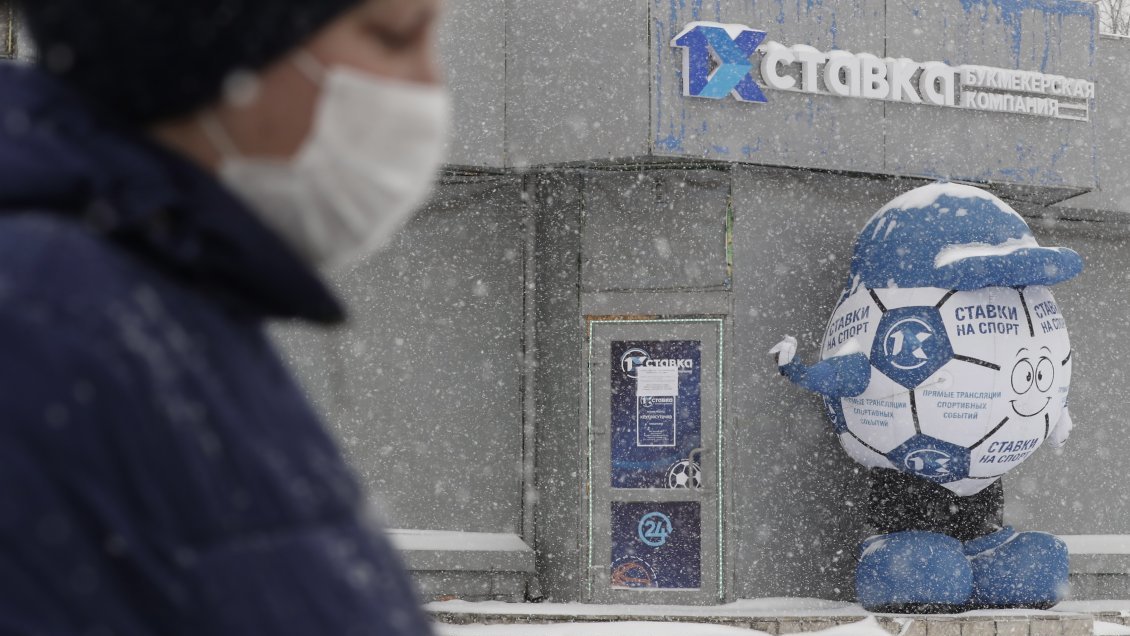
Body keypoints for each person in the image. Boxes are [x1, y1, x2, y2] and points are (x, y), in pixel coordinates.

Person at [0, 0, 446, 633]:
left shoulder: (169, 305)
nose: (431, 87)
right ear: (211, 49)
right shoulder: (43, 325)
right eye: (394, 36)